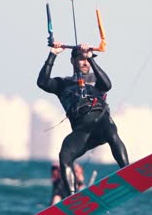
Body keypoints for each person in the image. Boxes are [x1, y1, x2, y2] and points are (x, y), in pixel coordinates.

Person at [38, 42, 129, 199]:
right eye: (81, 58)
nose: (85, 62)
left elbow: (107, 85)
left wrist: (91, 58)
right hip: (82, 131)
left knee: (111, 132)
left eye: (87, 59)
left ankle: (128, 172)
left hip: (101, 121)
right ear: (72, 61)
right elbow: (42, 82)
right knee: (65, 155)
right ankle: (72, 198)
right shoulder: (63, 83)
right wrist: (53, 54)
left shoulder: (96, 79)